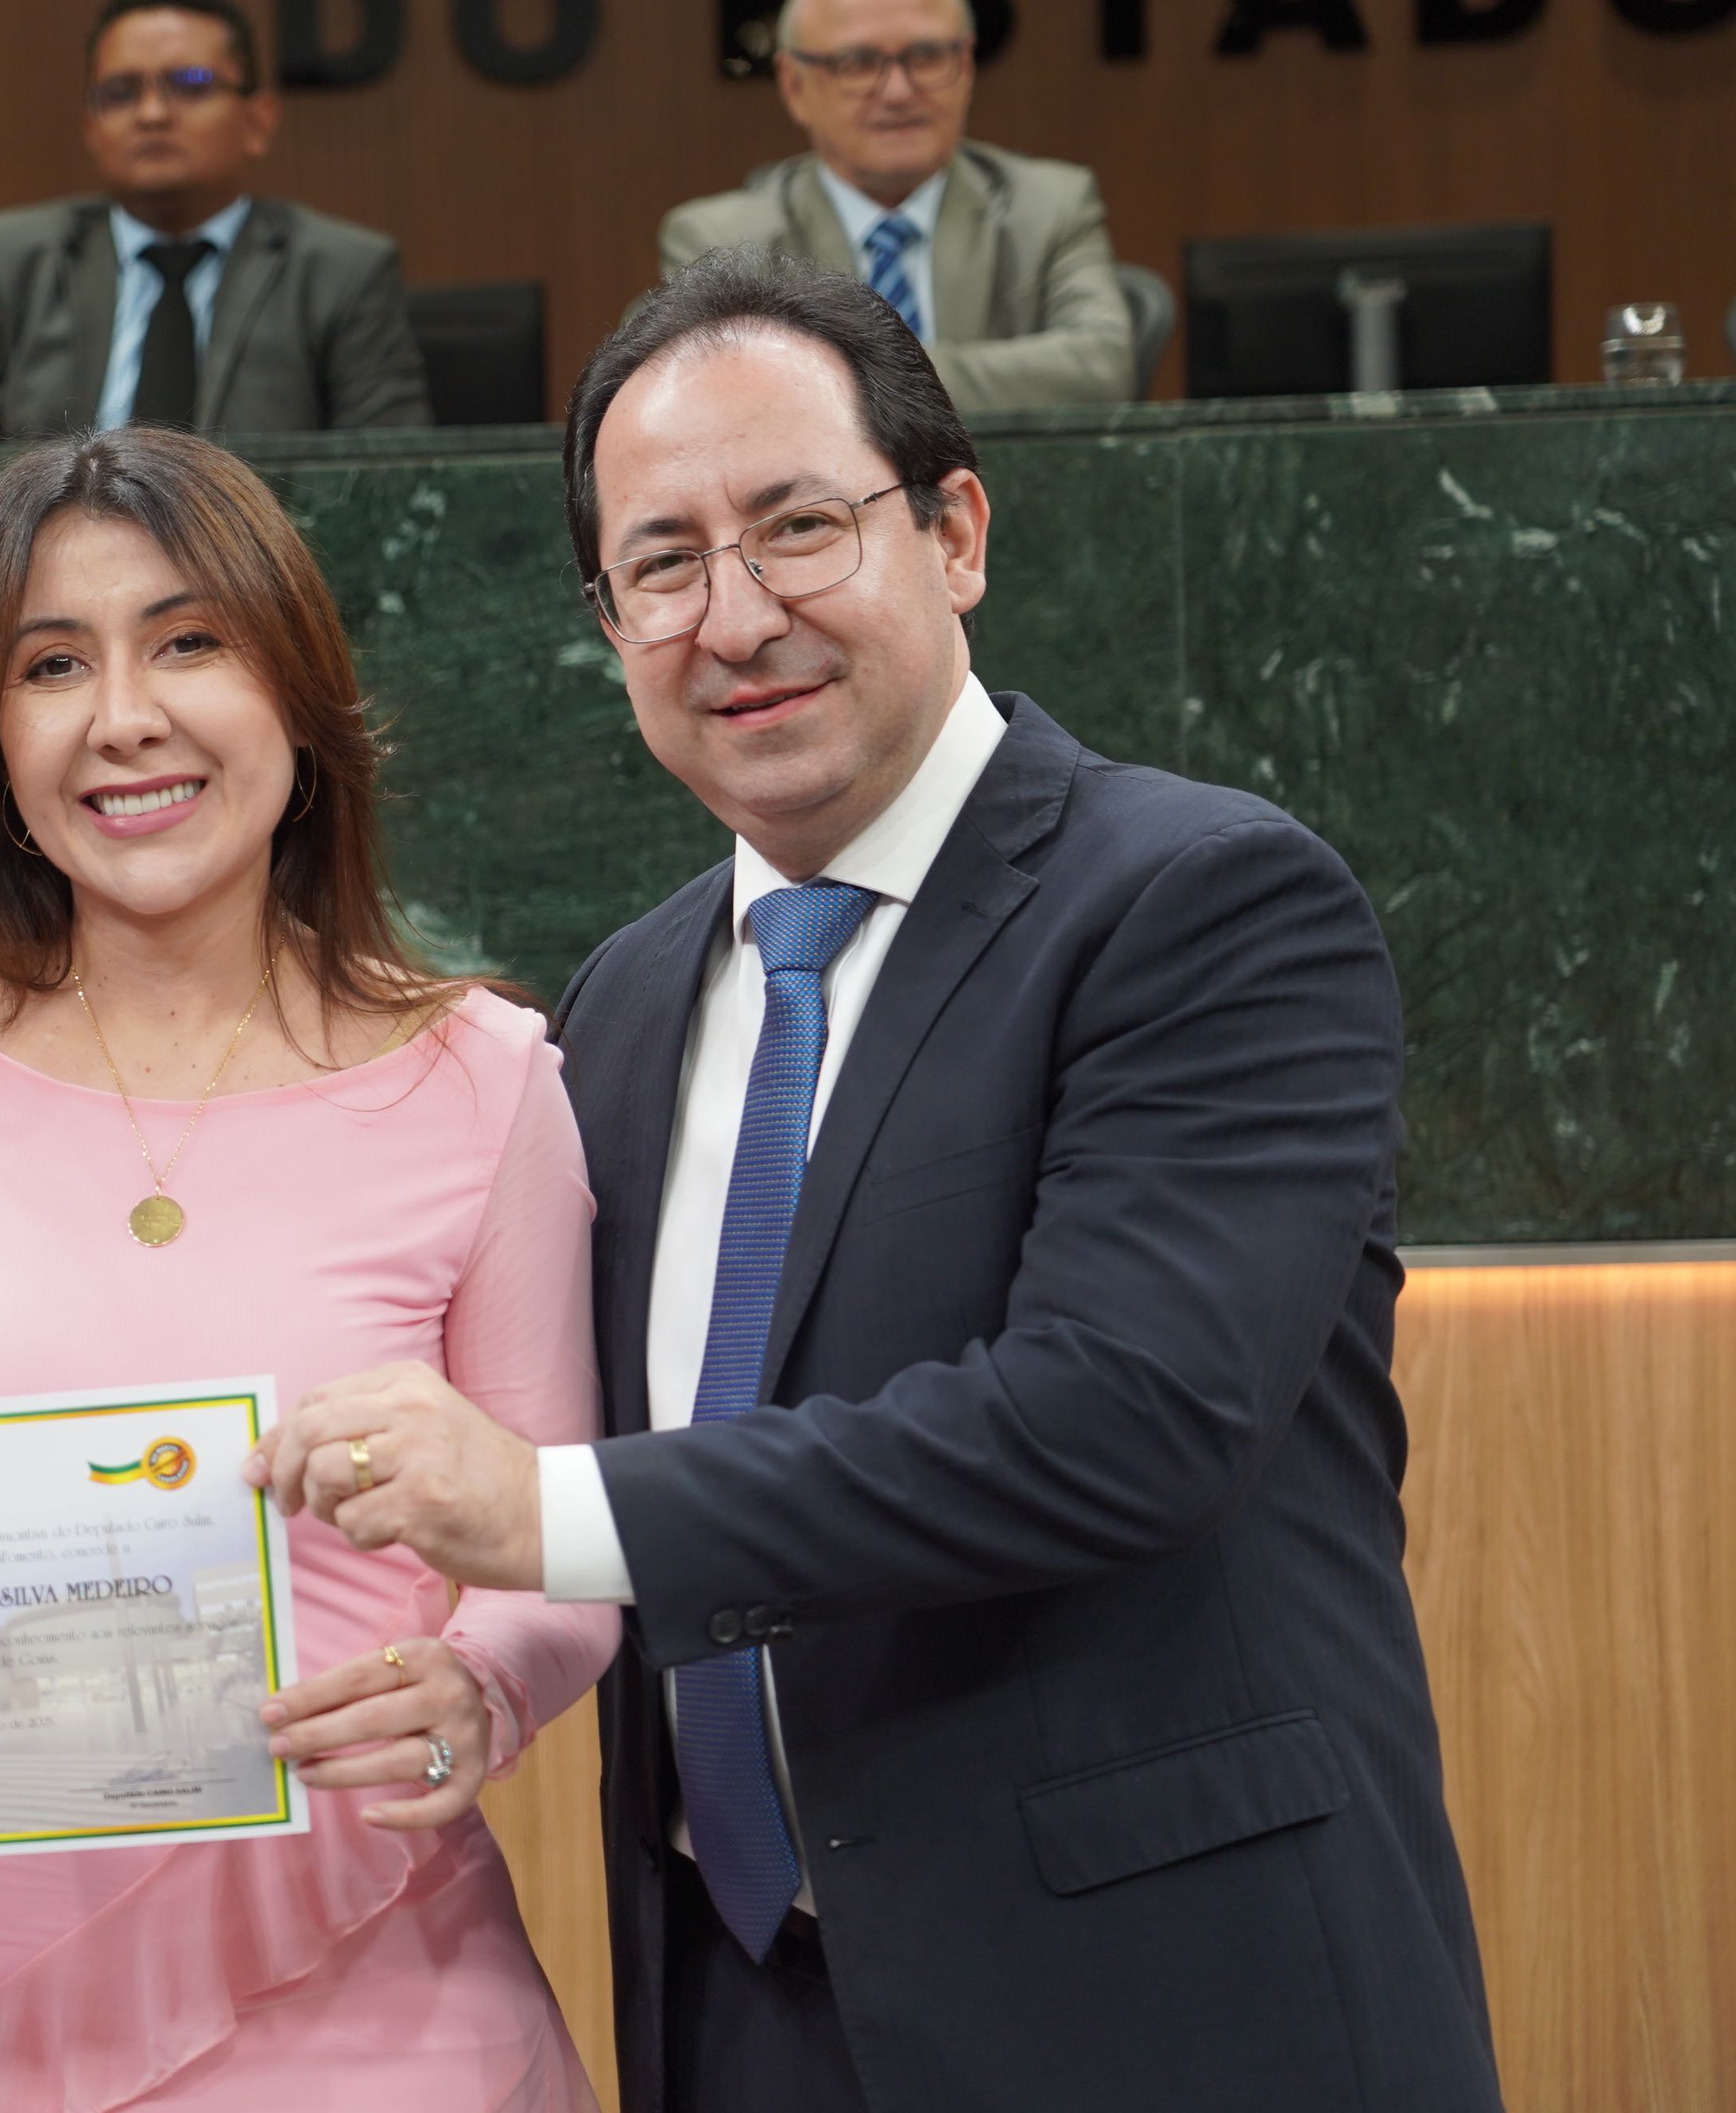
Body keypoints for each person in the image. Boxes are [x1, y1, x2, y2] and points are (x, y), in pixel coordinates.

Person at [252, 250, 1498, 2111]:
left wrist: (541, 1509)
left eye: (797, 527)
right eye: (662, 563)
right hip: (747, 2011)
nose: (734, 615)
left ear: (956, 532)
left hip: (1167, 2011)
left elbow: (1124, 1416)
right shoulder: (624, 1004)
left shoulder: (1204, 905)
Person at [0, 425, 612, 2110]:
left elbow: (563, 1537)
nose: (125, 716)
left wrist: (482, 1684)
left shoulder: (485, 1079)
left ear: (299, 703)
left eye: (189, 642)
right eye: (50, 665)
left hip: (385, 1993)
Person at [0, 0, 431, 445]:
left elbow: (390, 490)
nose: (152, 114)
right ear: (91, 128)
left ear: (258, 121)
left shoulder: (343, 271)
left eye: (190, 84)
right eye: (120, 93)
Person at [655, 0, 1132, 411]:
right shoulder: (720, 241)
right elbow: (713, 398)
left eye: (926, 56)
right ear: (795, 85)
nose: (898, 91)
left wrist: (864, 375)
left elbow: (1103, 368)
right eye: (858, 62)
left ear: (966, 67)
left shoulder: (1050, 206)